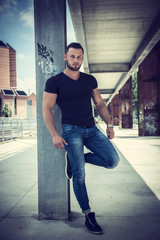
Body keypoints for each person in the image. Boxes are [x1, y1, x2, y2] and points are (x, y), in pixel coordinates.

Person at [43, 42, 120, 235]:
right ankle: (88, 215)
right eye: (72, 56)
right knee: (79, 176)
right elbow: (46, 108)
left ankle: (77, 159)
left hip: (92, 129)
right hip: (71, 131)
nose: (75, 60)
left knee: (112, 161)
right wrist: (54, 134)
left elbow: (100, 103)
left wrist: (109, 124)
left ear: (82, 58)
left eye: (79, 57)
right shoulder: (55, 82)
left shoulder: (89, 80)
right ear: (65, 57)